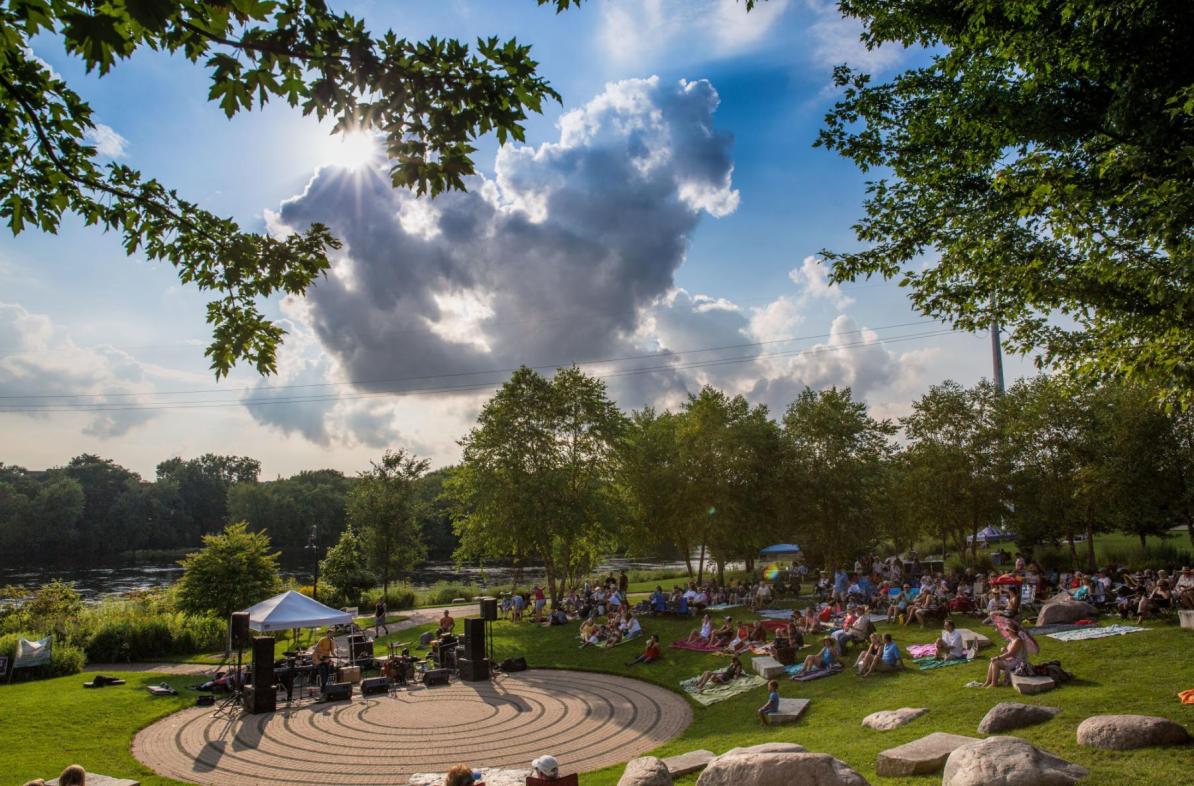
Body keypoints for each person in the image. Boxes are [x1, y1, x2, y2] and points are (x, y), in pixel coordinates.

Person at [982, 622, 1029, 688]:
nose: (1006, 631)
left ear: (1012, 631)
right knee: (993, 661)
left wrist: (998, 657)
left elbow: (1011, 653)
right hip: (1013, 660)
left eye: (1007, 630)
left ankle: (993, 684)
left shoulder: (1017, 641)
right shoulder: (1012, 640)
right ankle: (988, 681)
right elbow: (1011, 653)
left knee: (996, 662)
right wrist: (1005, 650)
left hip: (1018, 662)